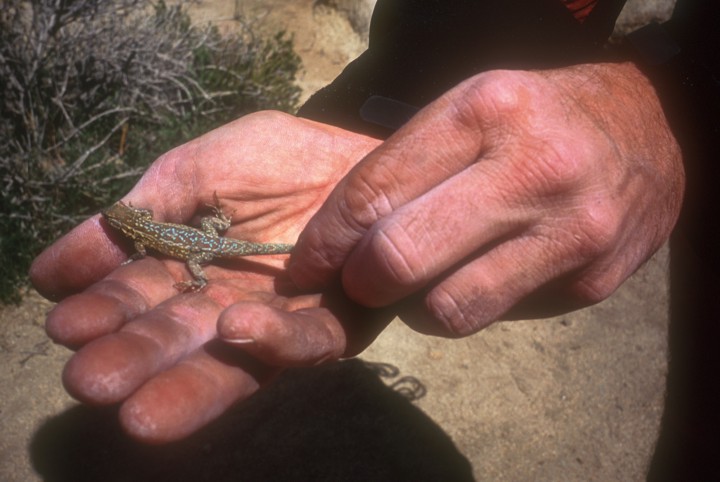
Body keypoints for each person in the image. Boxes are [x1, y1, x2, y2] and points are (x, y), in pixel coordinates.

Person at [29, 0, 720, 476]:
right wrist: (374, 127)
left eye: (125, 225)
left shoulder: (148, 238)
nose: (122, 225)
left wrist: (661, 99)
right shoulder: (145, 233)